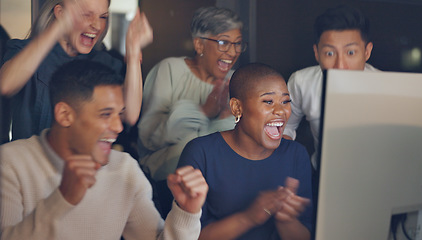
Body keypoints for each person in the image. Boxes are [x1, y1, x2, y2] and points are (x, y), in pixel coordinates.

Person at [0, 60, 208, 239]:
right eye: (106, 114)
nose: (118, 127)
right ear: (64, 115)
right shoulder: (10, 163)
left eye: (120, 114)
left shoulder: (124, 168)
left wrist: (187, 212)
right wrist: (62, 199)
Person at [178, 63, 313, 240]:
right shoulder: (201, 153)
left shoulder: (296, 155)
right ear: (236, 108)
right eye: (268, 101)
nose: (281, 111)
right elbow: (187, 236)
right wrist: (248, 217)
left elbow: (306, 236)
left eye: (286, 101)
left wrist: (286, 220)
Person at [137, 6, 247, 218]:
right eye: (224, 42)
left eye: (238, 44)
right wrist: (204, 112)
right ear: (199, 44)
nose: (233, 52)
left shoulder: (237, 82)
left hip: (225, 190)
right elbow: (148, 138)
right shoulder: (169, 70)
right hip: (169, 187)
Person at [0, 0, 153, 141]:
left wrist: (133, 53)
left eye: (103, 17)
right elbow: (6, 84)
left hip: (86, 165)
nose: (97, 25)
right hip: (33, 165)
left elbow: (130, 115)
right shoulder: (23, 51)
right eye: (86, 14)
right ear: (60, 13)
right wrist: (58, 27)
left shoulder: (105, 63)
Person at [283, 5, 378, 169]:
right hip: (320, 174)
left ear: (367, 52)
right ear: (317, 53)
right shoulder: (301, 82)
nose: (340, 65)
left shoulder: (386, 88)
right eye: (329, 53)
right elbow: (286, 127)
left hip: (376, 175)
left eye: (350, 53)